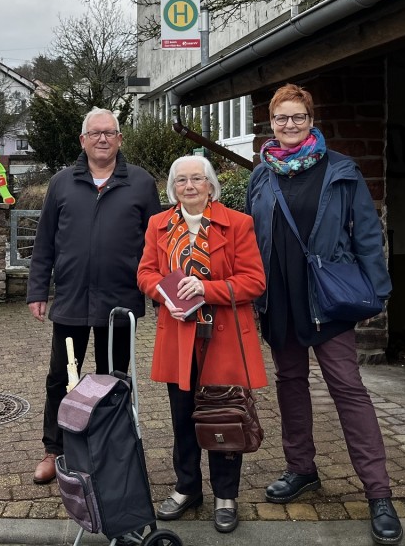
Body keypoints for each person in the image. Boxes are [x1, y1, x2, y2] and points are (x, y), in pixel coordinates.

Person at [245, 83, 401, 545]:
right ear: (270, 124)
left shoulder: (341, 171)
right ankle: (301, 468)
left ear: (312, 121)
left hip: (327, 299)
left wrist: (378, 291)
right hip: (280, 299)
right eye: (280, 119)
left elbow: (368, 235)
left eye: (297, 117)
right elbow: (250, 238)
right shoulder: (262, 175)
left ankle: (379, 492)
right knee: (290, 384)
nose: (288, 125)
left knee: (348, 389)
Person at [27, 107, 161, 485]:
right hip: (70, 301)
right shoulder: (62, 183)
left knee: (114, 381)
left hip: (119, 306)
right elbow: (45, 242)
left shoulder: (140, 183)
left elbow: (158, 244)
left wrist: (160, 297)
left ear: (120, 139)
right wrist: (38, 289)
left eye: (110, 132)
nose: (103, 139)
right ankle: (55, 450)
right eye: (95, 133)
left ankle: (109, 452)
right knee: (61, 379)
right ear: (83, 140)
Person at [136, 155, 267, 533]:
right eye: (181, 181)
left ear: (211, 185)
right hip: (178, 336)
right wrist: (165, 295)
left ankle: (226, 495)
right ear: (172, 188)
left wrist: (206, 289)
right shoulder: (158, 225)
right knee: (181, 417)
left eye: (197, 179)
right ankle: (187, 487)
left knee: (224, 415)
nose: (189, 186)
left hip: (223, 338)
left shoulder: (238, 223)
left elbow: (255, 281)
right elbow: (146, 273)